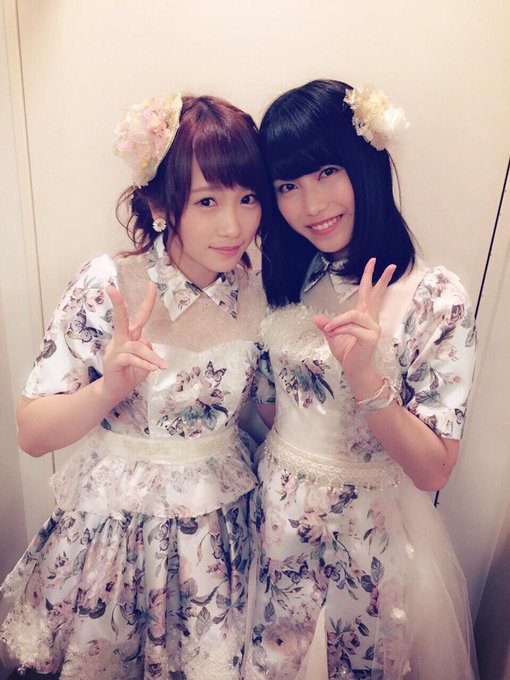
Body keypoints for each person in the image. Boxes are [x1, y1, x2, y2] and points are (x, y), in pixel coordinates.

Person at [0, 93, 270, 679]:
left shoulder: (255, 290)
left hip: (221, 532)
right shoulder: (110, 282)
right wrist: (108, 390)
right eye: (207, 201)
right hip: (118, 534)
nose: (234, 226)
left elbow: (268, 410)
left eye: (248, 198)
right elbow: (31, 433)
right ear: (161, 203)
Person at [244, 80, 478, 680]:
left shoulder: (432, 298)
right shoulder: (290, 274)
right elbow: (272, 408)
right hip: (272, 530)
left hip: (367, 543)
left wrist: (364, 377)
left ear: (366, 163)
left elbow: (434, 470)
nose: (311, 204)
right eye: (288, 186)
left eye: (327, 171)